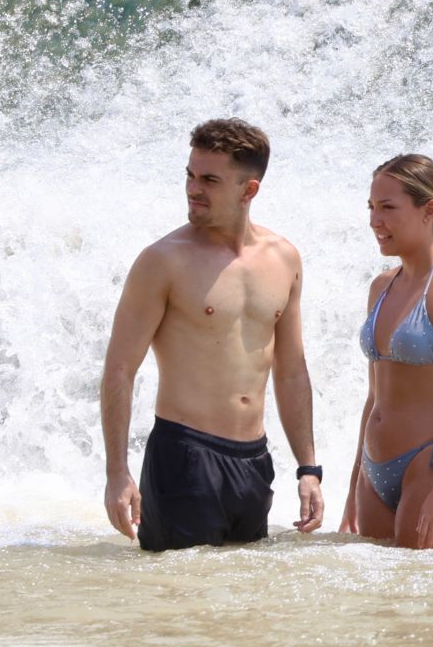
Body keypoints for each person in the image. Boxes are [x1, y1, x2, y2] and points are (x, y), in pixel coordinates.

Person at [100, 118, 323, 551]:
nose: (192, 189)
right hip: (184, 458)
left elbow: (292, 370)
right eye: (189, 175)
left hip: (254, 463)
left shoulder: (284, 258)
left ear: (249, 190)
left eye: (209, 180)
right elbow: (119, 369)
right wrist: (116, 473)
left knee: (243, 609)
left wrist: (308, 468)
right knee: (182, 605)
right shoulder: (163, 261)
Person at [340, 154, 433, 549]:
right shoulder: (381, 286)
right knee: (379, 608)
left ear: (430, 210)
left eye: (388, 207)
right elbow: (375, 396)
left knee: (426, 608)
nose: (375, 220)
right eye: (371, 207)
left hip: (432, 470)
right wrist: (355, 480)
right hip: (374, 475)